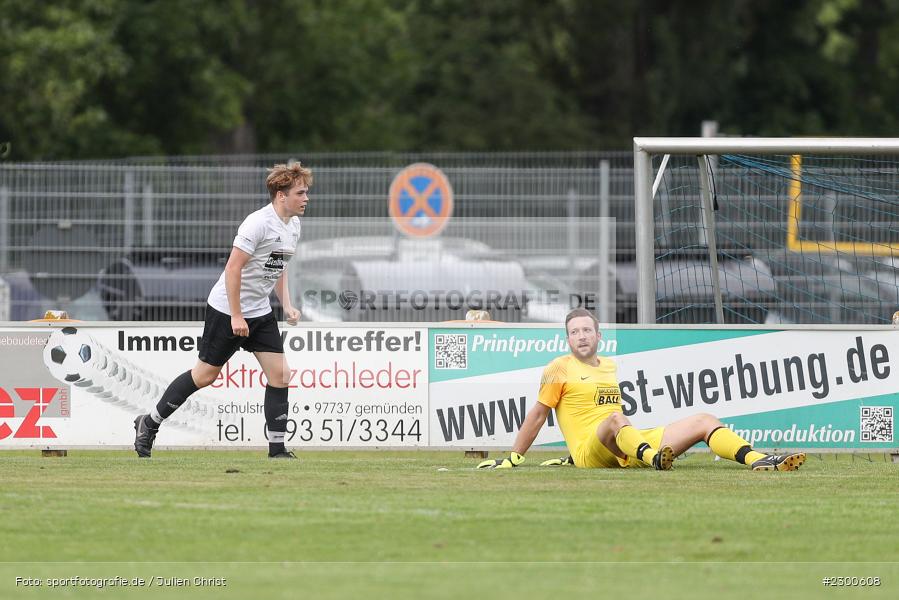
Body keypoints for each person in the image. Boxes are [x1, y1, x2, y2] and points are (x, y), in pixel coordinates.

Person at [478, 308, 806, 472]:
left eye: (586, 330)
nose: (581, 336)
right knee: (616, 418)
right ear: (567, 339)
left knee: (704, 420)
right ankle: (654, 460)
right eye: (574, 332)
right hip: (592, 453)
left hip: (626, 446)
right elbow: (538, 416)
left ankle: (760, 460)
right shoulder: (558, 368)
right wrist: (513, 458)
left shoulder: (608, 366)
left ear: (598, 335)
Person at [133, 162, 312, 459]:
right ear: (281, 195)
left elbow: (278, 267)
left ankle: (277, 450)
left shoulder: (293, 226)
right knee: (204, 376)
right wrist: (236, 315)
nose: (306, 199)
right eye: (300, 193)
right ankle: (149, 422)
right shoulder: (257, 223)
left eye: (306, 193)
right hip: (227, 309)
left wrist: (287, 304)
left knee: (281, 375)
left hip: (260, 312)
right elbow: (232, 269)